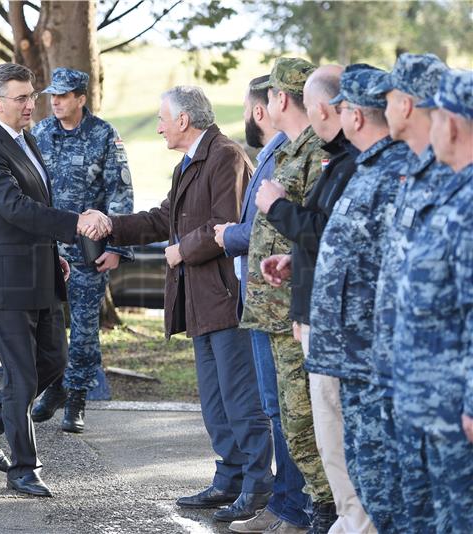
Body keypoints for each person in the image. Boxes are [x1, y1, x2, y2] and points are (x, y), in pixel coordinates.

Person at [107, 85, 273, 523]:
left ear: (184, 120)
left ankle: (257, 487)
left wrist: (183, 250)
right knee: (214, 400)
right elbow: (164, 218)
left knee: (240, 399)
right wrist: (111, 226)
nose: (158, 126)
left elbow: (228, 224)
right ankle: (229, 478)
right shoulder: (189, 163)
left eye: (163, 118)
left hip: (225, 298)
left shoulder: (225, 156)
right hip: (199, 300)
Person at [0, 63, 111, 498]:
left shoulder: (24, 140)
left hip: (40, 273)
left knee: (53, 365)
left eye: (32, 96)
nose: (32, 104)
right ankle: (23, 468)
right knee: (22, 378)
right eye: (22, 98)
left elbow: (38, 201)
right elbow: (16, 208)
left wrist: (53, 254)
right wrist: (76, 223)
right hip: (3, 281)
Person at [255, 65, 375, 534]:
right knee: (324, 436)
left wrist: (276, 209)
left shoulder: (352, 166)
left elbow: (327, 235)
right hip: (313, 312)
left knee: (336, 439)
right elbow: (328, 240)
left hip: (339, 326)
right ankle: (340, 519)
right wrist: (294, 263)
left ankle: (338, 519)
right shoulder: (339, 160)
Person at [304, 65, 412, 533]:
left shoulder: (392, 172)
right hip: (345, 350)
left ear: (355, 114)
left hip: (370, 355)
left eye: (344, 107)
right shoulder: (366, 167)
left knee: (384, 482)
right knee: (361, 469)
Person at [239, 58, 337, 534]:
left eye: (271, 93)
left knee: (305, 424)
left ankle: (322, 511)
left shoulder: (317, 151)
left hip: (296, 311)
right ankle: (308, 510)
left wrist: (275, 206)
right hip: (275, 304)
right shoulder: (290, 149)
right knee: (288, 419)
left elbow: (321, 231)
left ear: (281, 99)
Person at [216, 76, 311, 534]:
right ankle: (285, 506)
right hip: (266, 299)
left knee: (291, 411)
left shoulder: (299, 152)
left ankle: (296, 509)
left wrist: (227, 236)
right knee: (279, 409)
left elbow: (266, 226)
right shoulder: (279, 149)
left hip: (283, 304)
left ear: (278, 101)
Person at [365, 54, 455, 533]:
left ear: (407, 103)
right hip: (398, 372)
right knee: (399, 504)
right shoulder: (414, 171)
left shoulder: (452, 178)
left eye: (391, 98)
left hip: (440, 388)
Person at [30, 67, 134, 433]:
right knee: (48, 327)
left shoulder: (104, 136)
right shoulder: (40, 133)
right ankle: (55, 386)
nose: (55, 101)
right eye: (52, 96)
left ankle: (77, 399)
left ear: (81, 98)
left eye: (63, 95)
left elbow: (120, 193)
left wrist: (119, 248)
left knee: (86, 330)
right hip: (46, 249)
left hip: (89, 252)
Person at [407, 68, 473, 532]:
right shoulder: (453, 191)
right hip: (432, 397)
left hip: (456, 407)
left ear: (449, 125)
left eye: (434, 120)